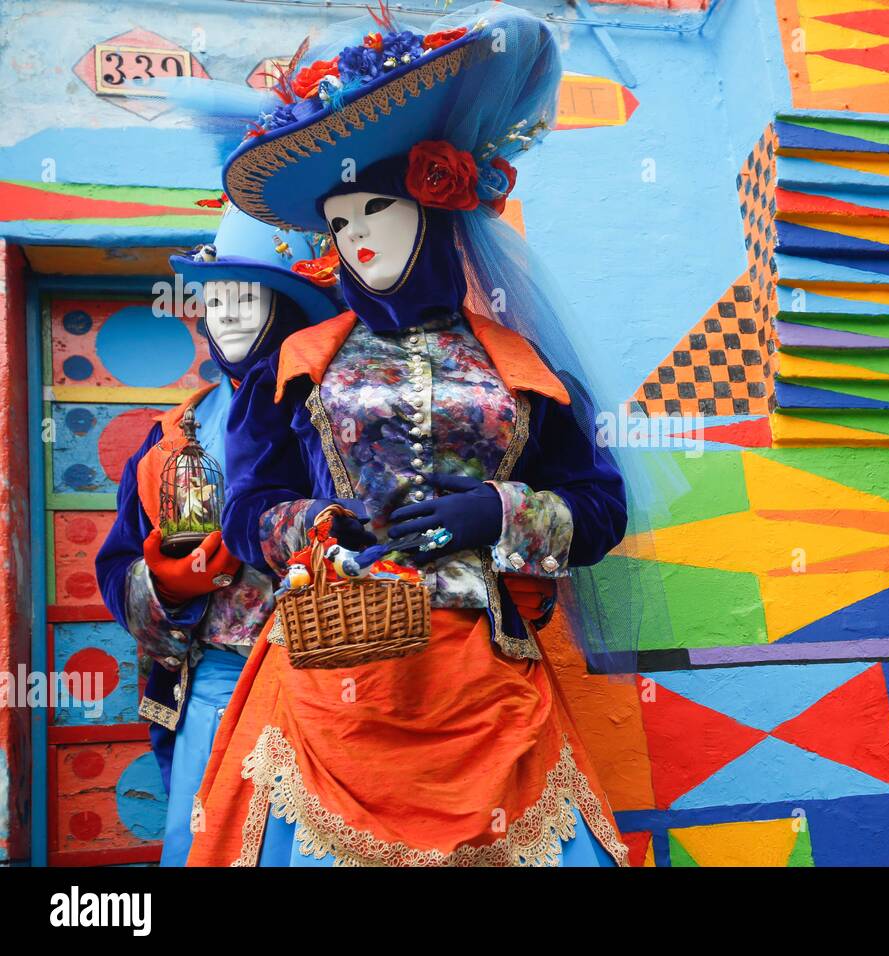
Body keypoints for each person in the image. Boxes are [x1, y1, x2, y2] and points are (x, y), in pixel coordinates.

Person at [185, 4, 631, 867]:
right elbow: (248, 507)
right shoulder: (297, 366)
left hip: (485, 681)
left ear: (435, 204)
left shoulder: (520, 365)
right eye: (339, 222)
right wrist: (318, 528)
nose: (355, 235)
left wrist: (500, 515)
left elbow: (599, 506)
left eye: (374, 208)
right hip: (332, 668)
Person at [94, 204, 341, 866]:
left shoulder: (337, 407)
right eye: (215, 298)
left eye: (247, 297)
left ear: (284, 306)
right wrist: (167, 588)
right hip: (215, 685)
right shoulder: (171, 435)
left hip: (333, 681)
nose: (226, 313)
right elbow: (119, 564)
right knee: (208, 844)